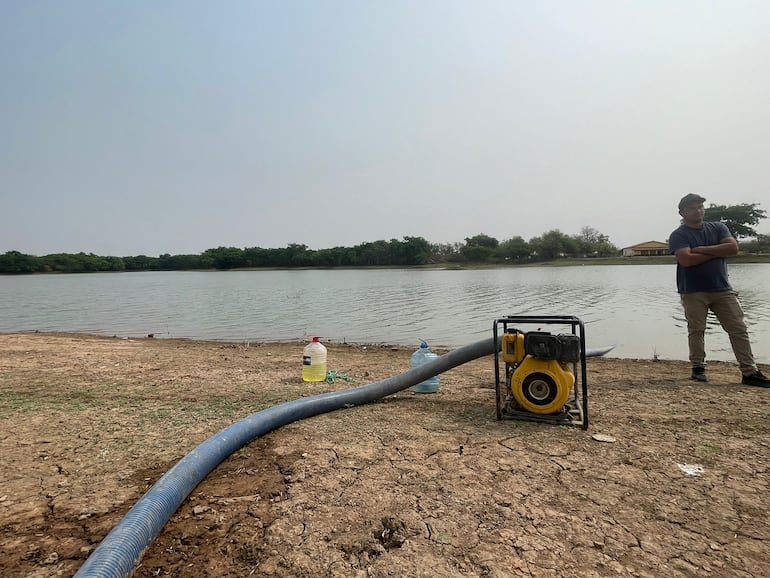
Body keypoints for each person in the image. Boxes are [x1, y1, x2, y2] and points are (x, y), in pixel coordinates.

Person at [669, 193, 769, 387]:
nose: (698, 210)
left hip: (722, 288)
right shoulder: (679, 235)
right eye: (692, 208)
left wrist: (701, 249)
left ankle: (749, 372)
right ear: (682, 212)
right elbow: (686, 260)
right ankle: (698, 368)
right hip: (693, 291)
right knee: (697, 330)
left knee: (738, 328)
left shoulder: (718, 227)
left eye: (700, 206)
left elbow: (732, 249)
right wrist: (717, 251)